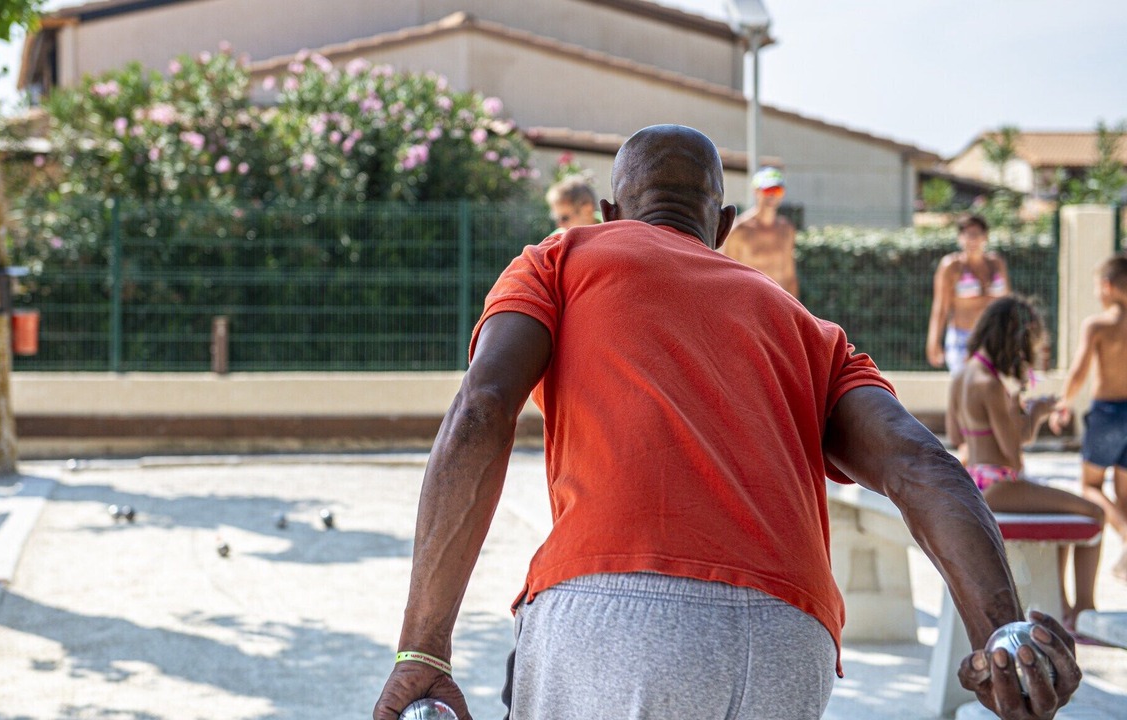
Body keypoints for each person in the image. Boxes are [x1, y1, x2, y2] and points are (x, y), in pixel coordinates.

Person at [374, 125, 1079, 720]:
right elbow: (923, 466)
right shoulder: (807, 329)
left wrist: (422, 649)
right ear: (723, 225)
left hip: (616, 611)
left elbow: (482, 408)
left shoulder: (560, 259)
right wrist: (1004, 640)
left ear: (612, 212)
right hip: (789, 639)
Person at [947, 295, 1105, 631]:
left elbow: (955, 433)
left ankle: (1062, 606)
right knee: (1094, 512)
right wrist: (1035, 414)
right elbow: (1013, 452)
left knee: (1062, 513)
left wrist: (1011, 415)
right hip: (1000, 484)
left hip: (978, 481)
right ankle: (1083, 611)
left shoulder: (963, 373)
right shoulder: (990, 384)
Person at [1050, 251, 1127, 582]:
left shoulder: (1098, 325)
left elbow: (1080, 369)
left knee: (1090, 485)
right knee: (1124, 494)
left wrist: (1063, 403)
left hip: (1108, 413)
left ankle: (1125, 536)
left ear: (1107, 286)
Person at [927, 214, 1011, 374]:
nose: (972, 240)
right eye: (967, 234)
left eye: (976, 234)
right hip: (962, 340)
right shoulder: (951, 266)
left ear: (985, 237)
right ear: (960, 238)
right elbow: (941, 308)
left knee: (992, 387)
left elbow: (1007, 303)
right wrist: (933, 342)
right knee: (966, 385)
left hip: (993, 338)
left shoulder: (997, 263)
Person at [721, 166, 799, 297]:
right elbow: (726, 274)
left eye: (777, 190)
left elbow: (789, 275)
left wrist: (794, 306)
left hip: (779, 302)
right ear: (756, 191)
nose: (772, 195)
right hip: (750, 303)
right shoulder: (740, 230)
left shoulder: (787, 230)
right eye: (768, 189)